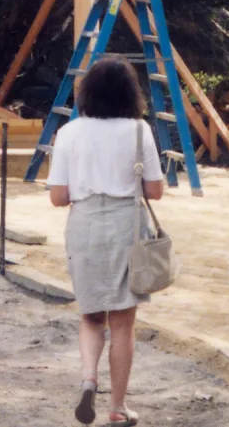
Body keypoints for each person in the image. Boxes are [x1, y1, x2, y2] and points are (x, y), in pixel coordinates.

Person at [47, 56, 165, 426]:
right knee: (124, 322)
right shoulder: (138, 130)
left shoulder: (69, 133)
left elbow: (58, 196)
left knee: (91, 315)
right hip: (125, 225)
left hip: (84, 224)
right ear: (131, 94)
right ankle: (116, 406)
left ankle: (88, 377)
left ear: (87, 93)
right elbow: (155, 191)